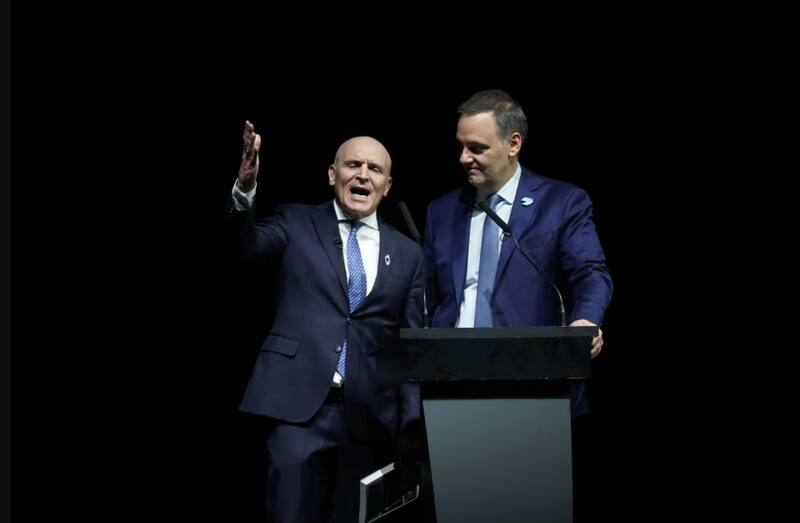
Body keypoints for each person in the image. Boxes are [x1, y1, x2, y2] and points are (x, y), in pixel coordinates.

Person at [225, 121, 423, 523]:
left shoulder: (409, 253)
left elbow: (412, 344)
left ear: (387, 186)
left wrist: (411, 423)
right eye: (353, 165)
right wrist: (245, 189)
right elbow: (243, 249)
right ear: (333, 175)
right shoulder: (296, 220)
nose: (363, 175)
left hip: (370, 420)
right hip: (298, 412)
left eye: (375, 169)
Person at [423, 89, 613, 413]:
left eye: (477, 148)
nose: (463, 158)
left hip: (534, 379)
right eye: (461, 146)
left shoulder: (561, 203)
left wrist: (586, 319)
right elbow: (425, 298)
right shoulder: (441, 212)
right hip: (451, 380)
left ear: (513, 144)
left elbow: (590, 272)